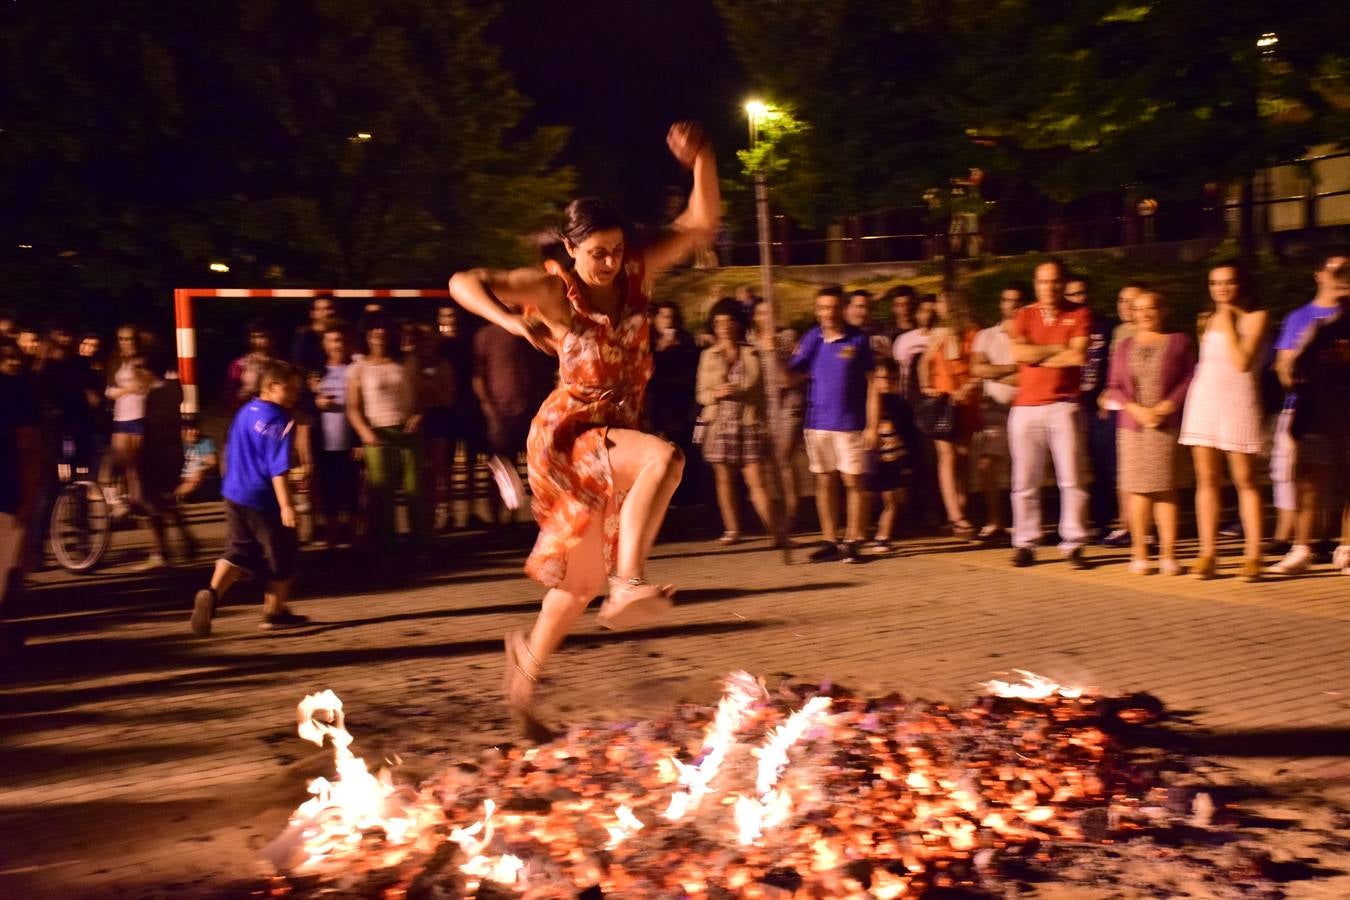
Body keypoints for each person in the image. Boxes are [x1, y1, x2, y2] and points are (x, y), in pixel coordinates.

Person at [447, 122, 718, 738]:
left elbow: (700, 225)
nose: (609, 262)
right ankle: (629, 583)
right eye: (596, 252)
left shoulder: (635, 275)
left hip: (613, 430)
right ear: (570, 251)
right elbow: (463, 282)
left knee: (577, 585)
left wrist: (703, 159)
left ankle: (522, 686)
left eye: (616, 250)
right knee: (665, 461)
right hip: (570, 433)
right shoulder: (553, 288)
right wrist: (510, 324)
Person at [189, 361, 308, 635]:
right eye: (290, 390)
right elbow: (277, 468)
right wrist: (287, 506)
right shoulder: (282, 421)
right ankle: (273, 612)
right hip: (263, 498)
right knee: (283, 553)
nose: (294, 396)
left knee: (238, 550)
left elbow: (230, 447)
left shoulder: (245, 411)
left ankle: (211, 594)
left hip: (234, 492)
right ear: (272, 386)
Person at [1179, 262, 1269, 580]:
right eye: (1215, 283)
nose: (1221, 289)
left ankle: (1254, 554)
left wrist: (1229, 318)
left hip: (1239, 402)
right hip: (1204, 401)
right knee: (1206, 479)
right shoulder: (1204, 319)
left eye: (1228, 282)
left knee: (1245, 479)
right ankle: (1208, 553)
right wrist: (1218, 318)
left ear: (1240, 284)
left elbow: (1242, 361)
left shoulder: (1256, 316)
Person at [1267, 248, 1348, 574]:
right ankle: (1302, 547)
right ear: (1320, 275)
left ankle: (1346, 548)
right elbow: (1285, 366)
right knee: (1308, 481)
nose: (1341, 278)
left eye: (1347, 271)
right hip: (1312, 410)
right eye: (1336, 271)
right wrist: (1296, 378)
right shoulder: (1303, 319)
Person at [1102, 290, 1194, 575]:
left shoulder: (1179, 341)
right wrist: (1136, 409)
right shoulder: (1124, 346)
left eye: (1150, 307)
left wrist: (1166, 406)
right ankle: (1139, 552)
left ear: (1163, 309)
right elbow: (1114, 385)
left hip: (1164, 424)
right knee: (1137, 490)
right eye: (1138, 309)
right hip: (1132, 425)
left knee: (1165, 489)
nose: (1144, 313)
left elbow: (1191, 375)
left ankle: (1168, 554)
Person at [1008, 259, 1091, 569]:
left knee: (1071, 478)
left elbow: (1078, 355)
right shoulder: (1024, 314)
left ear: (1064, 282)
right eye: (1043, 282)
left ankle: (1074, 543)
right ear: (1035, 284)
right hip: (1026, 407)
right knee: (1024, 480)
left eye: (1055, 281)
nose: (1049, 287)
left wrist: (1038, 355)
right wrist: (1058, 349)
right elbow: (1019, 354)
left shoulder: (1079, 312)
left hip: (1063, 405)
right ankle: (1025, 543)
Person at [790, 286, 876, 564]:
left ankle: (853, 539)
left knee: (852, 481)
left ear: (842, 309)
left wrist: (873, 424)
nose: (827, 313)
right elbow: (792, 375)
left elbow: (874, 383)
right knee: (824, 480)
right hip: (817, 422)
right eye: (822, 308)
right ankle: (830, 539)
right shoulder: (812, 337)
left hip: (849, 423)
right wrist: (774, 355)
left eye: (833, 307)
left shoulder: (859, 340)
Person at [696, 298, 780, 546]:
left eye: (729, 321)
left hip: (748, 421)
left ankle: (775, 530)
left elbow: (762, 388)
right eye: (719, 323)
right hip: (719, 422)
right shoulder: (708, 356)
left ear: (738, 323)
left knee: (756, 479)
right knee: (725, 480)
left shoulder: (752, 352)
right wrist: (716, 394)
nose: (725, 327)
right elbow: (701, 393)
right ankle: (732, 529)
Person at [346, 315, 430, 557]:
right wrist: (365, 432)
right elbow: (353, 406)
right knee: (382, 497)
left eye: (383, 327)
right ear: (366, 334)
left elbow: (422, 395)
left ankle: (420, 547)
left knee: (415, 492)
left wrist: (417, 416)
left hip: (407, 432)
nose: (379, 332)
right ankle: (386, 549)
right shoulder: (358, 368)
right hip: (378, 436)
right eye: (373, 328)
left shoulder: (407, 361)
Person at [474, 319, 555, 524]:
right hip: (500, 412)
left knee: (534, 467)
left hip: (529, 409)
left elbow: (542, 368)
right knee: (500, 467)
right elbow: (478, 377)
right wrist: (488, 408)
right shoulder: (485, 335)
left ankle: (516, 517)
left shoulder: (528, 331)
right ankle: (496, 520)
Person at [918, 288, 981, 536]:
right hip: (942, 403)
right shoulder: (938, 334)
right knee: (947, 456)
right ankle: (955, 514)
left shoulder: (973, 332)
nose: (938, 308)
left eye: (943, 303)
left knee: (963, 457)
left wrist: (969, 386)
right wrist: (926, 387)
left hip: (964, 401)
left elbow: (978, 368)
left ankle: (961, 510)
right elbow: (924, 363)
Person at [1066, 275, 1123, 547]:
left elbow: (1116, 362)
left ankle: (1104, 523)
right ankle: (1076, 523)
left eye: (1084, 292)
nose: (1080, 298)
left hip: (1098, 407)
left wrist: (1108, 392)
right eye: (1074, 294)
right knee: (1073, 469)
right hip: (1069, 405)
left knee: (1104, 466)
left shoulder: (1107, 326)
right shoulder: (1062, 326)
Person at [970, 283, 1026, 540]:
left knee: (1023, 468)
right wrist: (1012, 370)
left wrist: (995, 371)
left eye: (1016, 301)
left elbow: (1027, 378)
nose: (1011, 305)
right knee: (987, 465)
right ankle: (995, 521)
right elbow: (978, 370)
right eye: (1007, 300)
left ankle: (1023, 523)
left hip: (1026, 408)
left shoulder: (1031, 335)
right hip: (994, 410)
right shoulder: (986, 336)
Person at [138, 350, 197, 569]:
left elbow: (149, 426)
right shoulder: (174, 388)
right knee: (167, 500)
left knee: (152, 501)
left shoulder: (152, 395)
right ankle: (185, 540)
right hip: (173, 452)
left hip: (156, 452)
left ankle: (160, 550)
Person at [751, 297, 804, 531]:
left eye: (770, 313)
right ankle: (775, 511)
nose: (766, 318)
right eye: (761, 313)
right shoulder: (750, 340)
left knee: (784, 458)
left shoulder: (788, 338)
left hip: (786, 403)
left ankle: (792, 514)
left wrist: (775, 354)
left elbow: (793, 375)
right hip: (762, 406)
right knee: (768, 462)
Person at [436, 304, 489, 528]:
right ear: (439, 320)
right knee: (443, 466)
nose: (451, 320)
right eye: (446, 316)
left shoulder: (470, 343)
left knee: (471, 464)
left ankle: (470, 511)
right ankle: (445, 512)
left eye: (453, 316)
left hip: (469, 409)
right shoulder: (437, 346)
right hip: (446, 411)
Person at [312, 322, 358, 548]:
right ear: (324, 344)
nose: (336, 345)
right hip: (324, 444)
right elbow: (302, 404)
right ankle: (331, 544)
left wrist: (359, 440)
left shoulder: (355, 368)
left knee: (352, 494)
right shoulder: (316, 373)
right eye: (331, 340)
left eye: (340, 340)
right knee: (328, 495)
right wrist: (316, 401)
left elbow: (363, 405)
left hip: (350, 442)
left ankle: (353, 543)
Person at [864, 357, 913, 551]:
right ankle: (860, 532)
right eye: (881, 378)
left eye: (891, 379)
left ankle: (883, 536)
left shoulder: (899, 403)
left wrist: (905, 462)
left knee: (890, 499)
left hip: (892, 457)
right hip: (871, 456)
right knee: (865, 496)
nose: (886, 383)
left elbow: (906, 433)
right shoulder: (865, 402)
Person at [103, 324, 148, 519]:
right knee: (119, 461)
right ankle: (119, 500)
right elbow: (109, 391)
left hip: (139, 416)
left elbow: (145, 386)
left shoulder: (142, 360)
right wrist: (128, 389)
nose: (126, 343)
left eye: (130, 339)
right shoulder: (115, 362)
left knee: (134, 465)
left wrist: (131, 385)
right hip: (121, 417)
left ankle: (137, 502)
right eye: (122, 339)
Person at [223, 318, 277, 412]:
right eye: (254, 337)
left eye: (262, 337)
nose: (257, 341)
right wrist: (242, 394)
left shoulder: (279, 366)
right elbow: (229, 397)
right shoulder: (238, 365)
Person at [177, 417, 219, 502]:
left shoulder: (205, 442)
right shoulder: (178, 443)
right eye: (191, 429)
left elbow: (212, 462)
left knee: (197, 478)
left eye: (196, 429)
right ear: (183, 432)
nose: (195, 432)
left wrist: (200, 470)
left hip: (199, 479)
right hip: (182, 477)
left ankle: (172, 496)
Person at [291, 296, 336, 373]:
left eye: (330, 309)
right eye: (322, 309)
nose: (327, 313)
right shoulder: (304, 335)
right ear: (312, 313)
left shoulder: (342, 333)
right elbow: (298, 363)